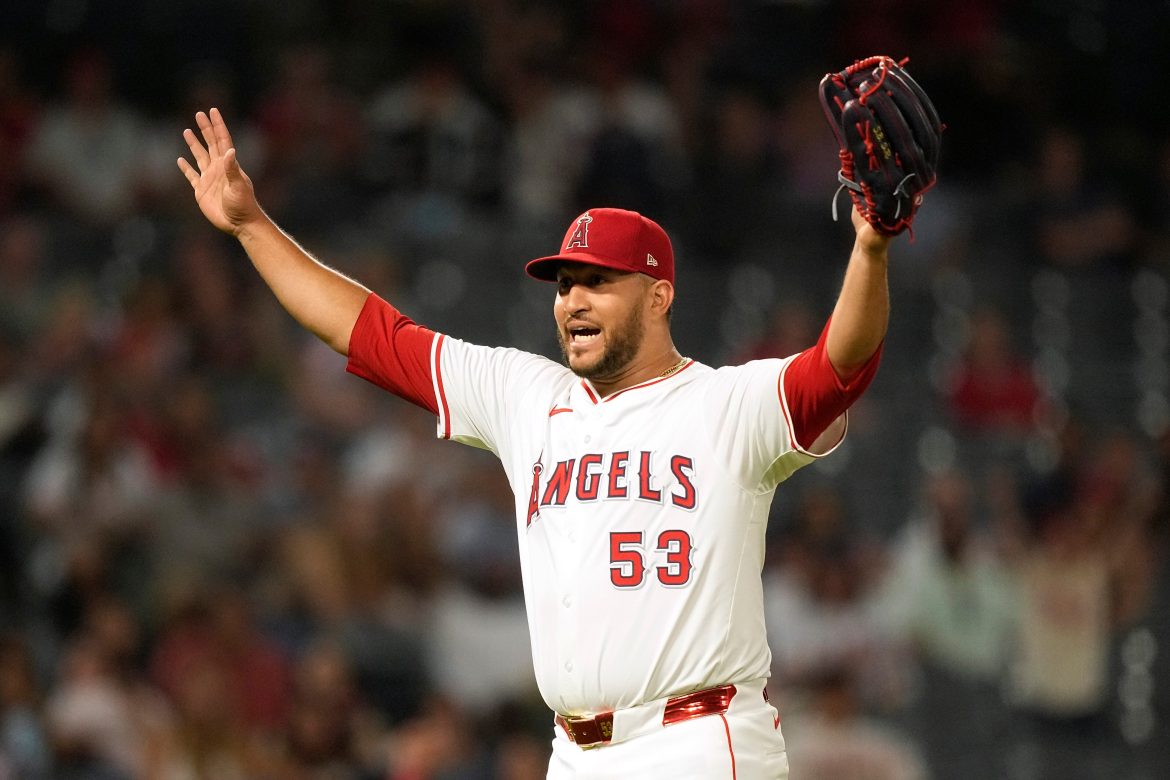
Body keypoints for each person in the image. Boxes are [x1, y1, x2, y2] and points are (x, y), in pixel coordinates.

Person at [178, 107, 894, 779]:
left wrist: (869, 246)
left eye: (597, 282)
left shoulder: (725, 403)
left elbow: (840, 368)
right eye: (564, 284)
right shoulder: (528, 397)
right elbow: (369, 335)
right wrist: (250, 227)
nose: (572, 300)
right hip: (574, 750)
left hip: (698, 741)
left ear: (658, 295)